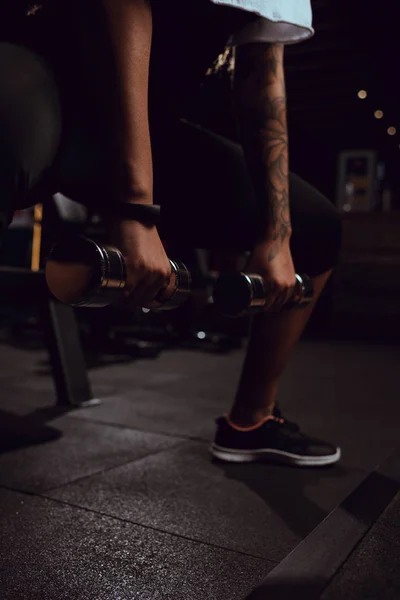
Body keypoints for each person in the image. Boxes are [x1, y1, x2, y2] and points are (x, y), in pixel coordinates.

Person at [0, 0, 342, 466]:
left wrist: (277, 235)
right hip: (48, 67)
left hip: (147, 119)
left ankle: (252, 421)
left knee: (315, 229)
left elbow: (263, 79)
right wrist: (136, 211)